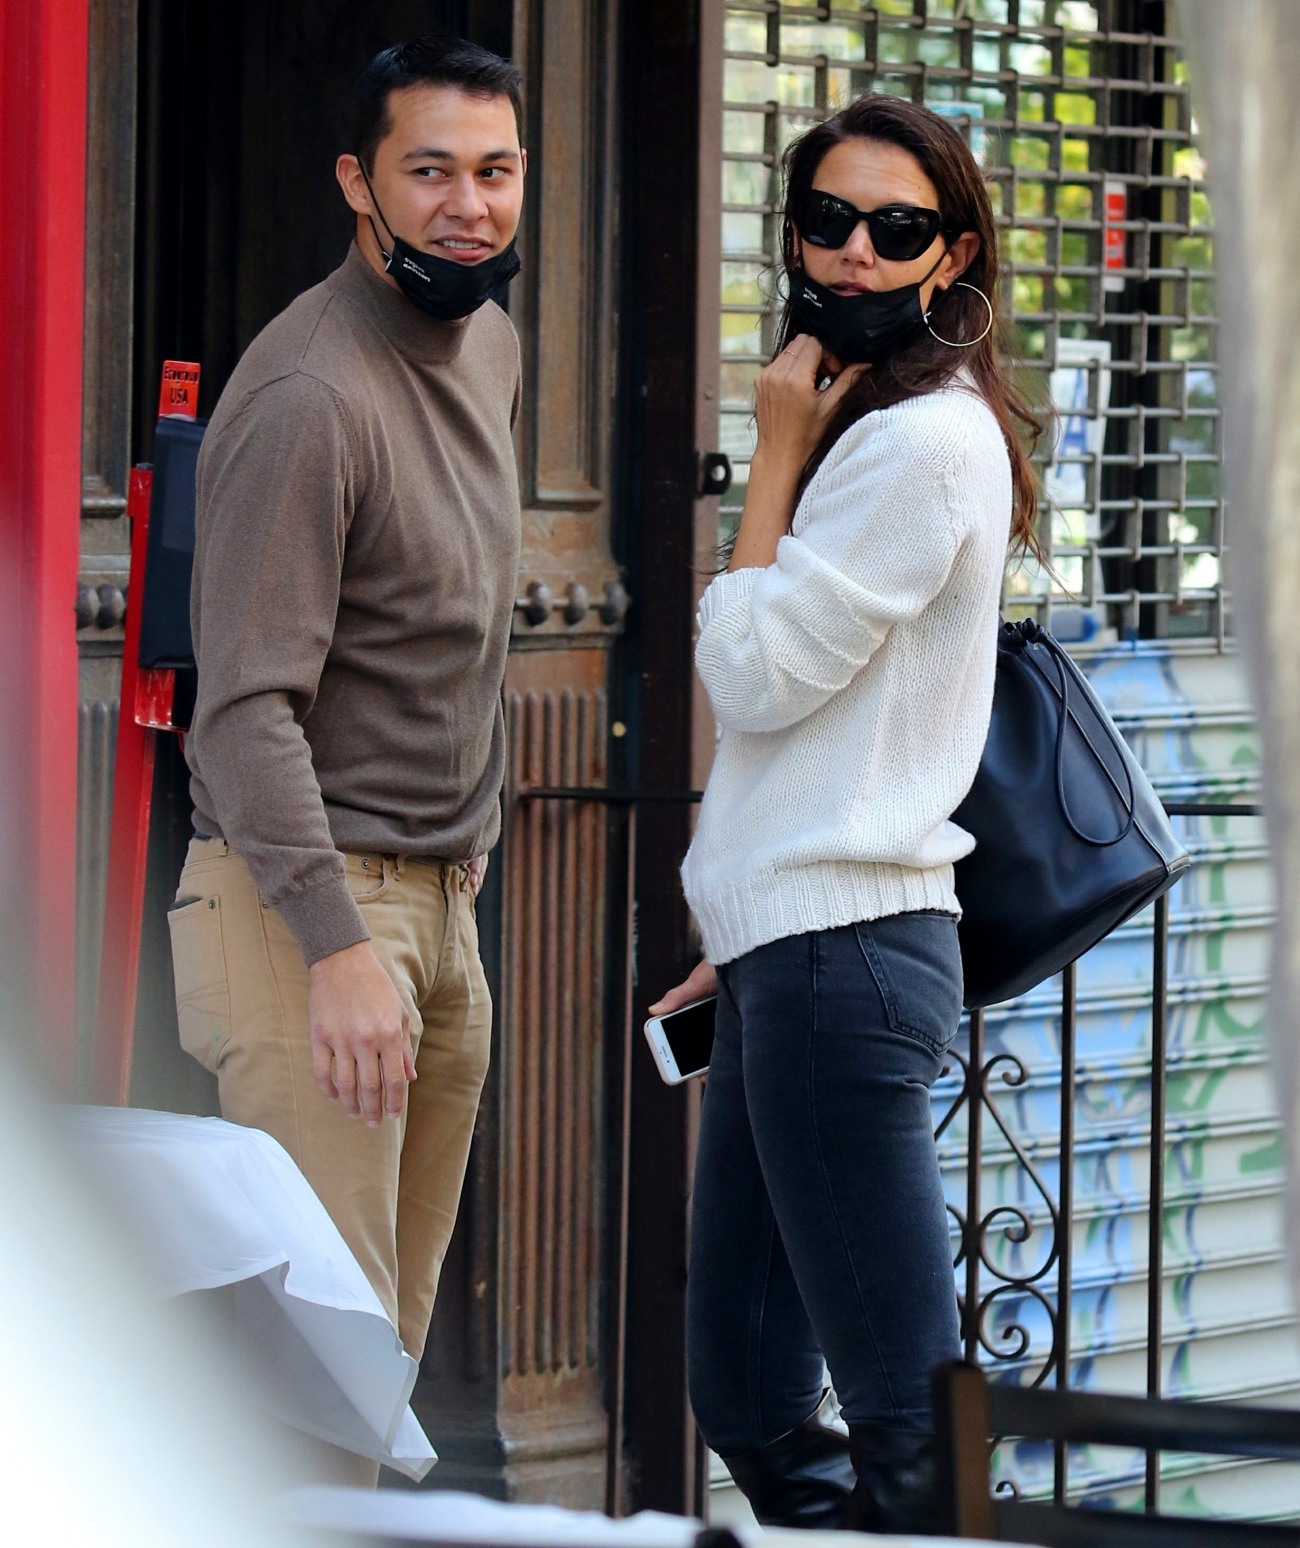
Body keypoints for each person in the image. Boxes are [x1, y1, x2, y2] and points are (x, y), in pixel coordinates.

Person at [650, 94, 1044, 1535]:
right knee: (751, 1392)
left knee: (901, 1411)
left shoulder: (921, 445)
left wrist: (766, 461)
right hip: (797, 953)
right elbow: (808, 741)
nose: (858, 256)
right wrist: (745, 934)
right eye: (829, 223)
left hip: (848, 959)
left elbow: (754, 677)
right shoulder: (873, 430)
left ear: (953, 259)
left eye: (898, 230)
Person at [167, 35, 526, 1479]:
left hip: (439, 901)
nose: (467, 203)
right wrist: (333, 941)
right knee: (314, 1392)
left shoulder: (490, 347)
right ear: (356, 185)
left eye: (494, 170)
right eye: (428, 169)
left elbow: (457, 618)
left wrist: (471, 827)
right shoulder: (310, 392)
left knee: (375, 1379)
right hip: (307, 913)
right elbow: (245, 708)